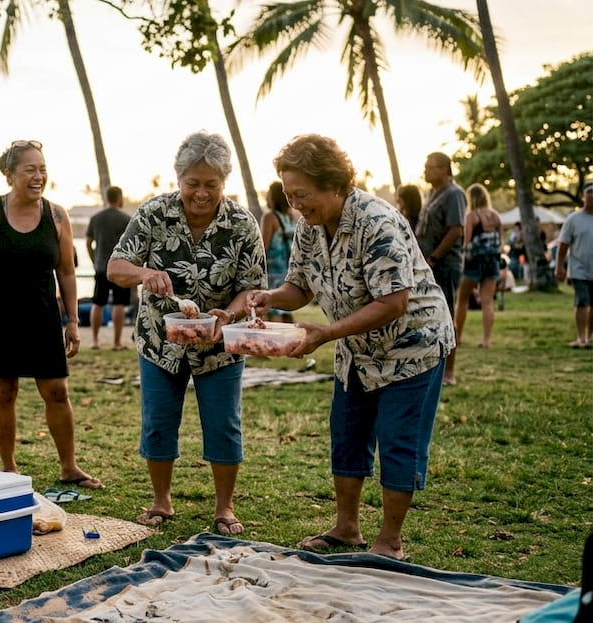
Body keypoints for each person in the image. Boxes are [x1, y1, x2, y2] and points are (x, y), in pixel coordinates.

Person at [249, 134, 455, 562]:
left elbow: (393, 302)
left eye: (302, 194)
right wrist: (270, 297)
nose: (295, 204)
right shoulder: (308, 226)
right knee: (347, 433)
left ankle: (390, 541)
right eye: (289, 195)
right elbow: (300, 286)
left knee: (397, 439)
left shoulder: (376, 221)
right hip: (355, 348)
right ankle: (347, 529)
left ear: (334, 185)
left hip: (411, 346)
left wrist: (326, 333)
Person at [106, 130, 266, 534]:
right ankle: (161, 501)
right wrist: (145, 273)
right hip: (160, 341)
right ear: (178, 178)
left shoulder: (242, 223)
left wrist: (228, 315)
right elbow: (115, 268)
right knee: (158, 421)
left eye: (211, 184)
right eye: (192, 183)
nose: (201, 193)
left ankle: (225, 507)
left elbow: (252, 288)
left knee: (223, 423)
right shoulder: (153, 214)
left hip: (219, 341)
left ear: (224, 182)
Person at [0, 138, 102, 490]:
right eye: (30, 170)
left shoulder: (56, 216)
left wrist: (72, 321)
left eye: (43, 169)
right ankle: (8, 468)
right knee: (4, 394)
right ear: (10, 175)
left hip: (42, 318)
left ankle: (69, 467)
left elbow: (66, 272)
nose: (39, 177)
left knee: (57, 392)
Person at [415, 151, 465, 386]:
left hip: (443, 264)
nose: (425, 170)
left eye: (430, 167)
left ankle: (449, 372)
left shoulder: (454, 194)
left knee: (446, 316)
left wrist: (433, 258)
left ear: (445, 169)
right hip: (427, 264)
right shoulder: (431, 194)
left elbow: (455, 230)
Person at [453, 183, 503, 358]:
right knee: (487, 302)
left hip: (473, 263)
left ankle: (458, 337)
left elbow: (466, 242)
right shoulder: (496, 216)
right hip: (492, 262)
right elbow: (501, 242)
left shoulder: (471, 216)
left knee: (462, 300)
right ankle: (486, 340)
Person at [85, 185, 133, 349]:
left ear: (107, 198)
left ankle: (94, 340)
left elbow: (88, 242)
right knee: (119, 303)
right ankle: (117, 343)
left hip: (101, 267)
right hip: (120, 267)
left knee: (98, 303)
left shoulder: (96, 218)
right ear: (119, 198)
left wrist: (94, 259)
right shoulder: (126, 219)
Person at [556, 182, 593, 348]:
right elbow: (563, 245)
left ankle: (591, 337)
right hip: (579, 269)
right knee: (582, 302)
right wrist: (559, 266)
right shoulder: (573, 219)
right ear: (582, 196)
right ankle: (581, 337)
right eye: (589, 192)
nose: (592, 195)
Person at [260, 180, 299, 323]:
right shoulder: (290, 217)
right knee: (285, 309)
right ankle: (292, 336)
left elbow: (262, 247)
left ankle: (276, 337)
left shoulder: (270, 217)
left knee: (272, 310)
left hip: (272, 270)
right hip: (288, 268)